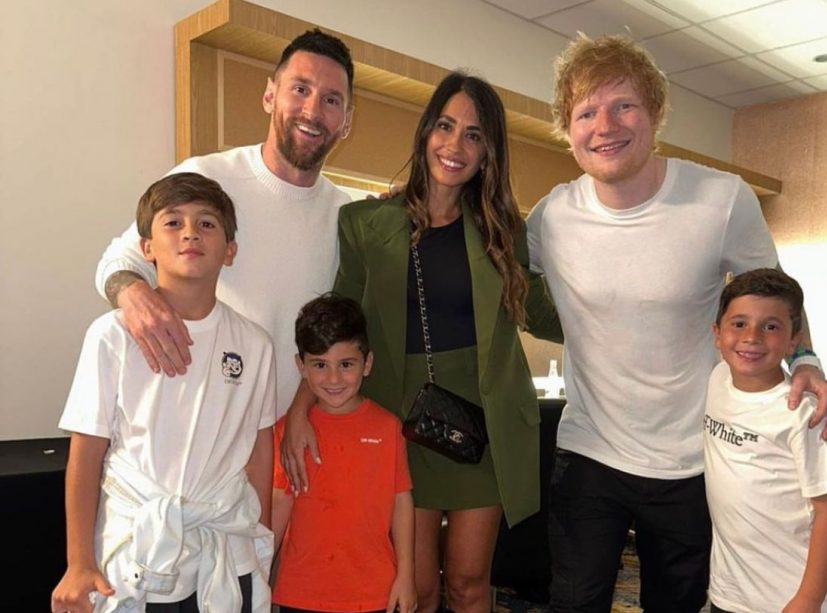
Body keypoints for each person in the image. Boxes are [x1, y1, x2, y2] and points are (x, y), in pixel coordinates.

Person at [525, 34, 827, 612]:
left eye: (624, 106)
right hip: (590, 451)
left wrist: (808, 360)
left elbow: (776, 298)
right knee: (573, 603)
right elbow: (487, 261)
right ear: (567, 130)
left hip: (692, 456)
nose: (605, 125)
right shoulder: (552, 216)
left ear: (654, 114)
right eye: (586, 112)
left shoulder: (720, 199)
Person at [319, 71, 561, 612]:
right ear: (426, 130)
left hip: (485, 421)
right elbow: (343, 320)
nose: (455, 145)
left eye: (474, 135)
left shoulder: (503, 231)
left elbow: (542, 314)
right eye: (446, 126)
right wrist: (310, 399)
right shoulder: (366, 222)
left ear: (488, 151)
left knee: (471, 584)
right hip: (402, 420)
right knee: (417, 588)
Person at [95, 30, 354, 448]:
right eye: (300, 89)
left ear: (346, 120)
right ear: (270, 95)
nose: (312, 110)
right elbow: (118, 260)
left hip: (289, 445)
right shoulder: (207, 177)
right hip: (195, 436)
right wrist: (135, 296)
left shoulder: (346, 216)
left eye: (331, 99)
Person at [51, 173, 276, 613]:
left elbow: (259, 450)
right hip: (134, 545)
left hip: (225, 549)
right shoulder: (110, 335)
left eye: (207, 224)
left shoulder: (254, 344)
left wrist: (261, 539)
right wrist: (78, 562)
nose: (191, 232)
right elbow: (86, 451)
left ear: (230, 251)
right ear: (146, 248)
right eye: (173, 222)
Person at [706, 268, 827, 612]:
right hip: (733, 592)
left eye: (770, 326)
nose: (752, 337)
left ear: (792, 342)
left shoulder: (804, 411)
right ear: (717, 333)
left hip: (795, 597)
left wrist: (808, 600)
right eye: (738, 323)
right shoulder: (717, 379)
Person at [270, 294, 416, 613]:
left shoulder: (388, 428)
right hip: (300, 592)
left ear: (367, 364)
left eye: (346, 364)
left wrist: (406, 574)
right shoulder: (287, 433)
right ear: (301, 367)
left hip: (374, 591)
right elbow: (279, 503)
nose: (334, 378)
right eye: (320, 365)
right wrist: (257, 568)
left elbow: (401, 502)